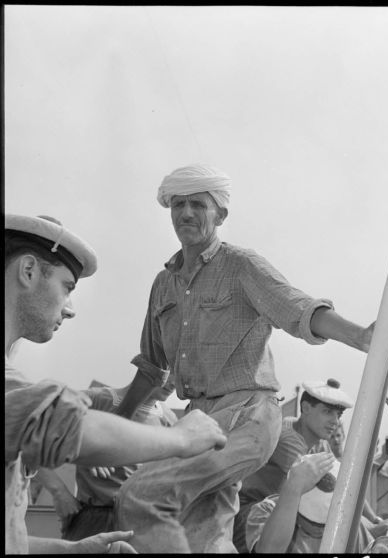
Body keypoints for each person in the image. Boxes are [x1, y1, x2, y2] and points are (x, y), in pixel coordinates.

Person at [113, 164, 388, 553]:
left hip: (247, 415)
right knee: (204, 534)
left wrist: (362, 337)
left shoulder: (240, 266)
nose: (185, 213)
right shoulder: (163, 284)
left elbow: (298, 309)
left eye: (198, 204)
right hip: (199, 420)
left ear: (221, 215)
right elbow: (153, 369)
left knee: (142, 493)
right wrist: (115, 429)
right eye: (178, 204)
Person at [5, 214, 227, 554]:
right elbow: (56, 423)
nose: (70, 309)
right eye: (67, 287)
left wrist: (71, 551)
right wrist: (182, 438)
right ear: (29, 271)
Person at [32, 372, 177, 541]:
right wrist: (59, 492)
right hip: (94, 522)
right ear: (148, 365)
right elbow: (25, 433)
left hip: (144, 524)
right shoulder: (96, 400)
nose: (175, 382)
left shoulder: (169, 420)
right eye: (171, 371)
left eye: (181, 371)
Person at [233, 378, 352, 552]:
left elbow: (341, 482)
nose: (335, 421)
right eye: (327, 412)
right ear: (305, 408)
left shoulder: (321, 444)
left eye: (338, 415)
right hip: (253, 514)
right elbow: (321, 488)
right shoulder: (288, 439)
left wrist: (373, 520)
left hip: (285, 509)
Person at [245, 452, 388, 553]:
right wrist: (294, 486)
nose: (319, 530)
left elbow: (370, 543)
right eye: (311, 521)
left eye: (325, 524)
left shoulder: (345, 522)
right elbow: (269, 550)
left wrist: (380, 545)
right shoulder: (266, 511)